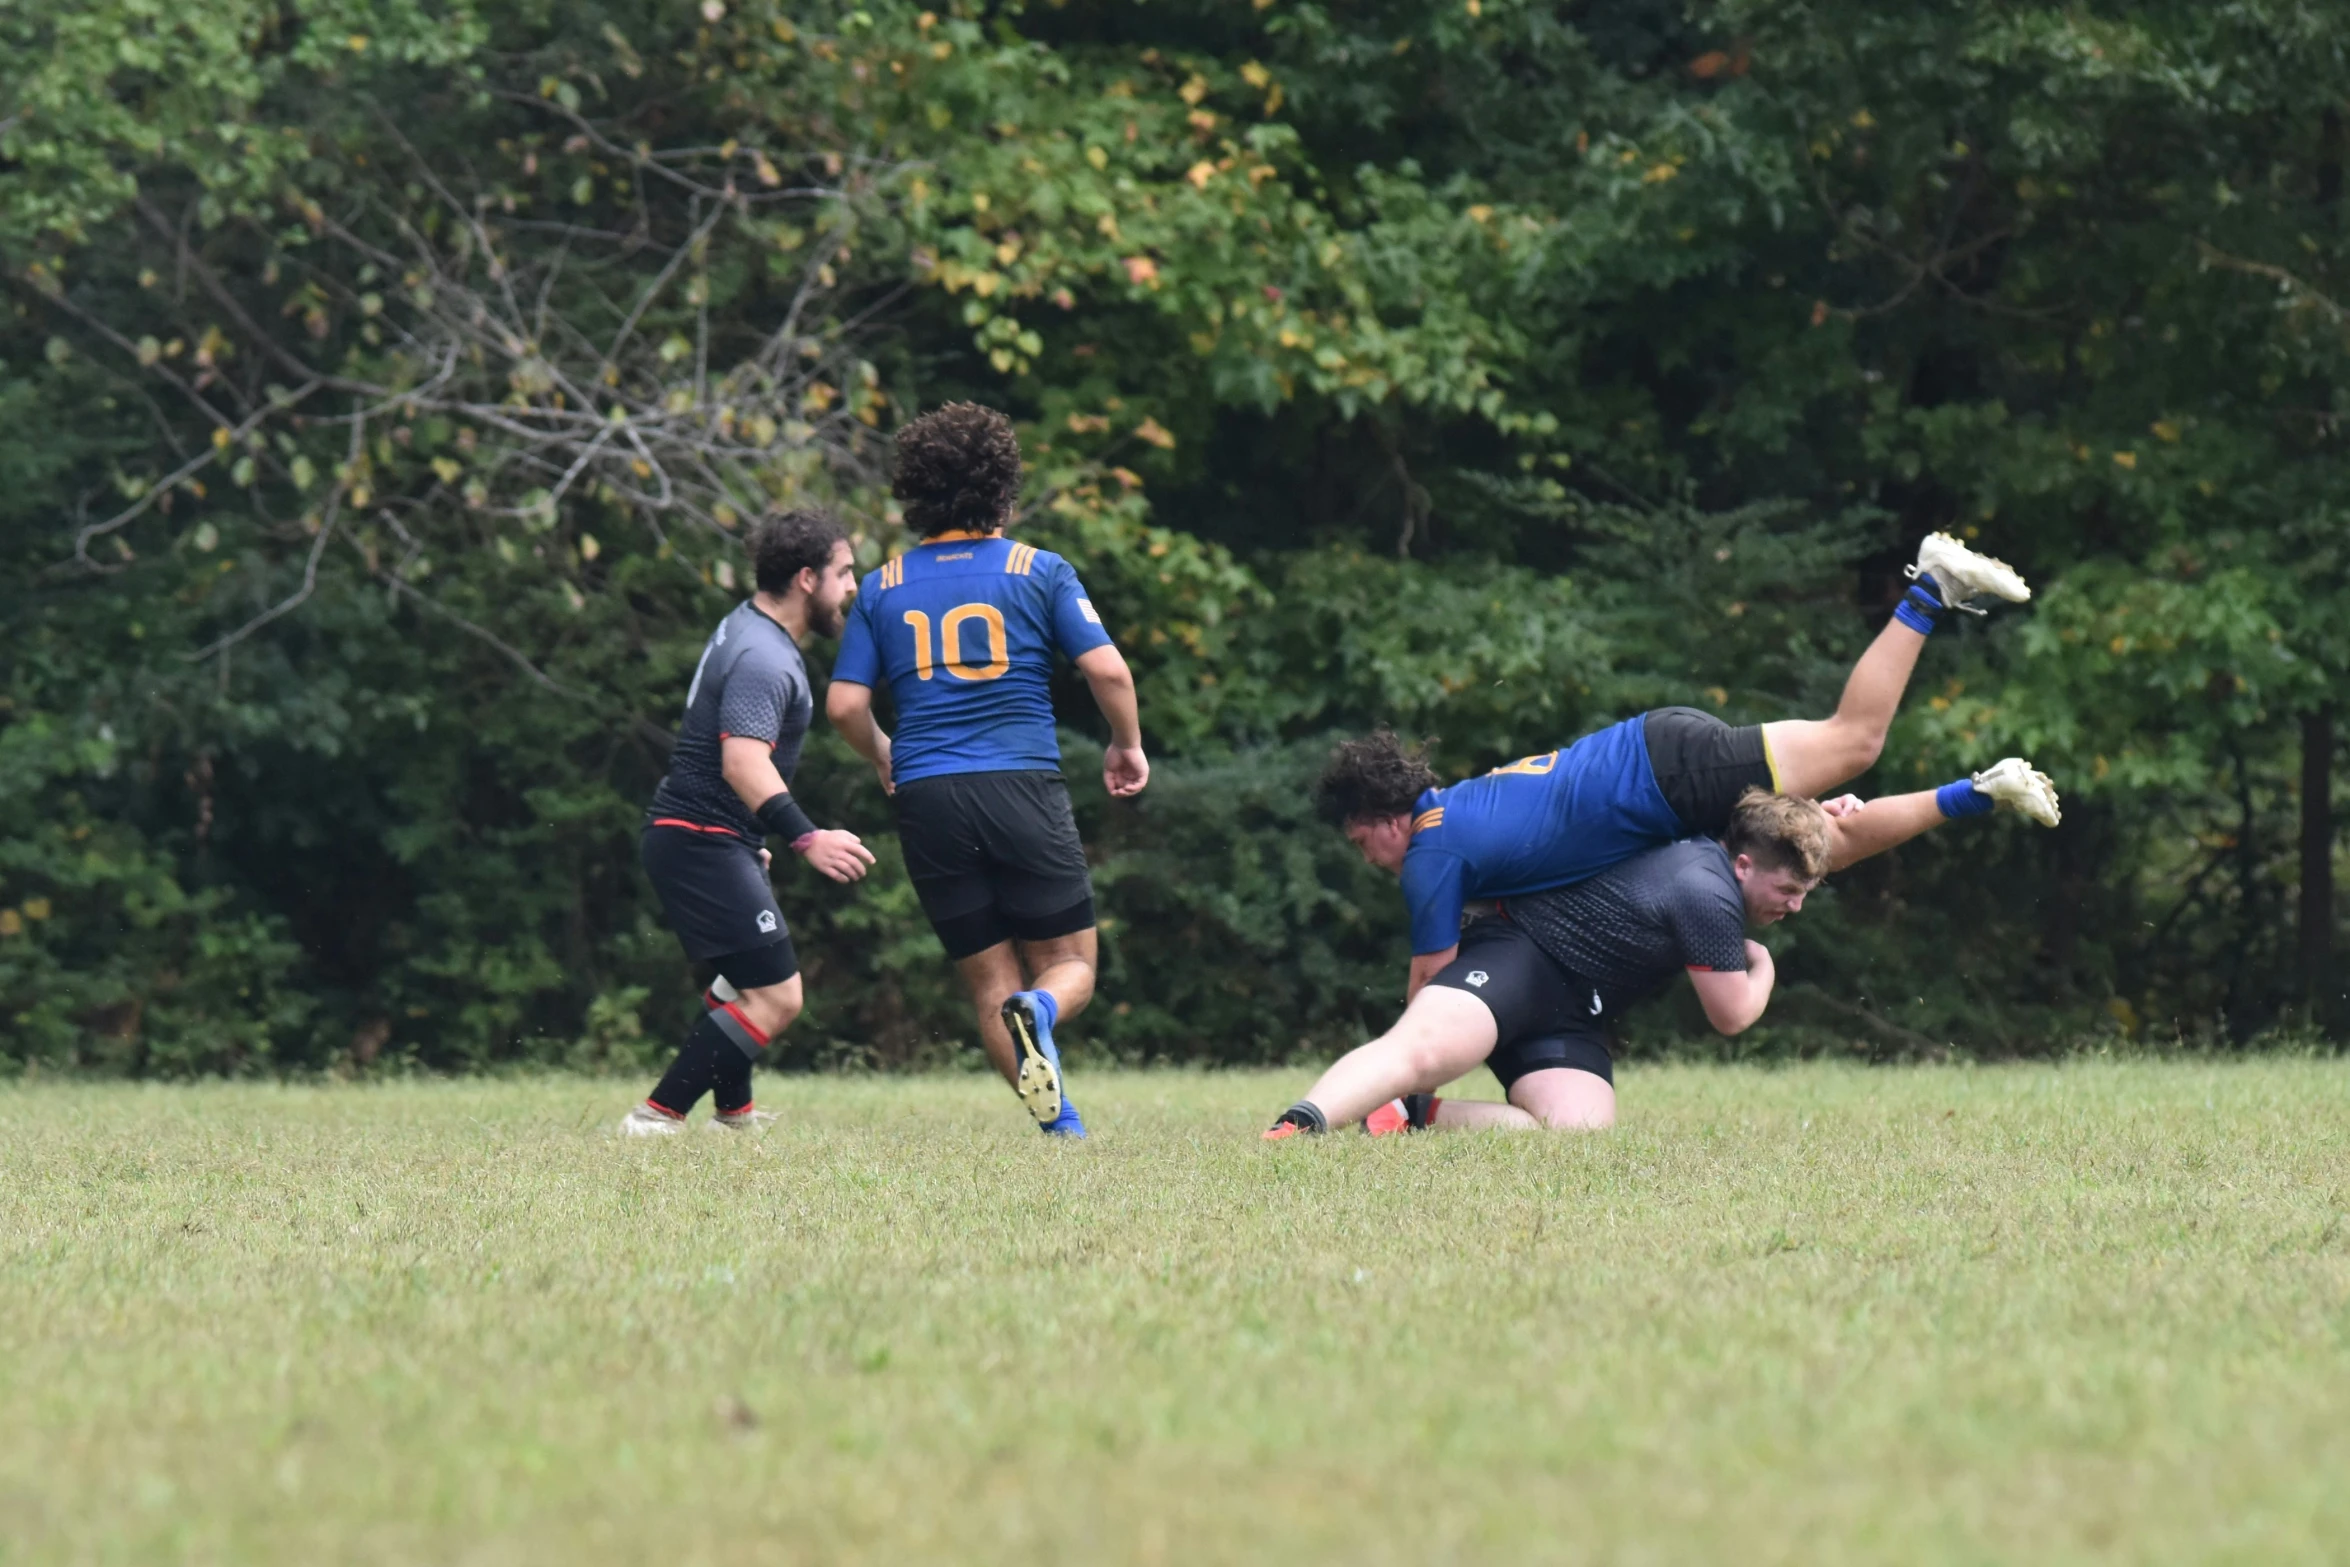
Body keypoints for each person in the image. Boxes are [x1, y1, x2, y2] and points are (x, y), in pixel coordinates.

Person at [1316, 533, 2036, 1001]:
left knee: (1853, 741)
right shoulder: (1461, 808)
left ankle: (1930, 586)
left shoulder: (1431, 850)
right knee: (1819, 849)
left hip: (1664, 773)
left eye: (1360, 842)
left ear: (1384, 819)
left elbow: (1428, 983)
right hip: (1664, 773)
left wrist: (1407, 1095)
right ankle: (1979, 792)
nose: (1370, 859)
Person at [1263, 760, 2061, 1139]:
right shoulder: (1710, 897)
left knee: (1575, 1140)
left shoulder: (1723, 842)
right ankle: (1300, 1126)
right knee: (1427, 1042)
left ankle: (1413, 1116)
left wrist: (1858, 805)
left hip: (1576, 1009)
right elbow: (1732, 1015)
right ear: (1747, 864)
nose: (1792, 908)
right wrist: (1764, 959)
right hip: (1522, 956)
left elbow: (1829, 825)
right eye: (1788, 892)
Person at [826, 403, 1148, 1138]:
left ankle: (1062, 1127)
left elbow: (844, 703)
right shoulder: (1039, 569)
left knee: (987, 978)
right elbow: (1109, 670)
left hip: (929, 797)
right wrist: (1125, 742)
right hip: (1021, 785)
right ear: (1002, 491)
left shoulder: (880, 586)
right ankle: (1043, 1011)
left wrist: (884, 751)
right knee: (1069, 966)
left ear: (915, 495)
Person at [619, 511, 875, 1135]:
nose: (853, 587)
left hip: (708, 836)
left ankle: (733, 1116)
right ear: (808, 579)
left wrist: (749, 837)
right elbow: (742, 761)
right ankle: (655, 1119)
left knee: (744, 983)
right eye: (845, 573)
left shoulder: (750, 628)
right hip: (700, 837)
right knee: (779, 995)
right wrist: (806, 836)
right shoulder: (765, 656)